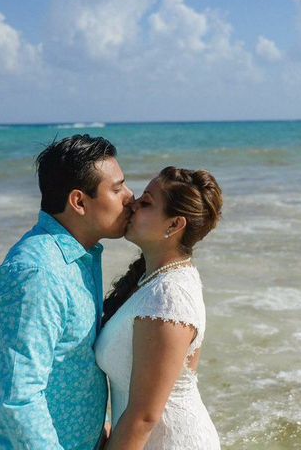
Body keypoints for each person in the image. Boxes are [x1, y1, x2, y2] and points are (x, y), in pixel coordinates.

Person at [0, 135, 134, 449]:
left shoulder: (77, 257)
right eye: (116, 189)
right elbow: (19, 397)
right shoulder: (36, 272)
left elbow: (70, 362)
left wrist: (93, 428)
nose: (130, 197)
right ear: (79, 202)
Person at [95, 166, 223, 449]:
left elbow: (144, 417)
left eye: (147, 202)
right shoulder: (153, 282)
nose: (132, 203)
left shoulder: (169, 295)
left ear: (174, 225)